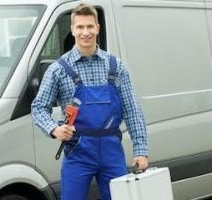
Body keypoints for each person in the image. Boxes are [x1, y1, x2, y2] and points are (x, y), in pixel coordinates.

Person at [31, 3, 148, 200]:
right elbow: (38, 108)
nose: (86, 32)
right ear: (72, 30)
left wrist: (141, 150)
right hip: (77, 153)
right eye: (80, 27)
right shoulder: (58, 69)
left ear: (97, 28)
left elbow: (132, 110)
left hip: (112, 153)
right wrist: (54, 129)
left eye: (90, 26)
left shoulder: (116, 67)